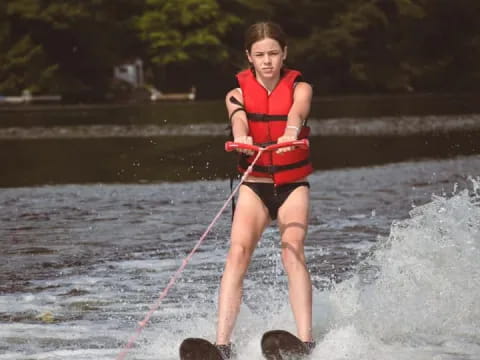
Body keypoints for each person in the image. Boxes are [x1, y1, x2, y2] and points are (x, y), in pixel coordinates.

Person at [215, 21, 315, 358]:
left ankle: (305, 340)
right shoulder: (236, 93)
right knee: (237, 253)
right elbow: (238, 118)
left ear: (284, 53)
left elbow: (297, 112)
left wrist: (290, 131)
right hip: (254, 186)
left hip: (291, 185)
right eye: (260, 55)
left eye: (274, 53)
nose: (268, 60)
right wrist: (241, 137)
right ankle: (222, 344)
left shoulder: (301, 87)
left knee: (292, 250)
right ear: (249, 57)